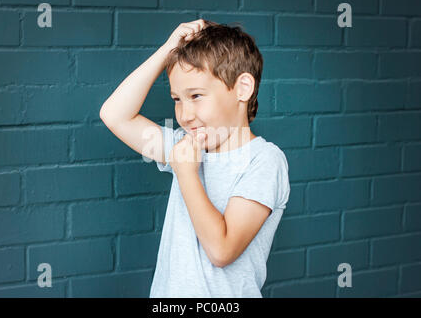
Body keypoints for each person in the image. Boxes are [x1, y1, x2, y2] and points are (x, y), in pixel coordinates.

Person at [100, 19, 290, 298]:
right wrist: (168, 48)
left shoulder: (264, 160)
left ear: (243, 88)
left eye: (196, 95)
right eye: (177, 99)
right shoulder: (185, 146)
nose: (185, 115)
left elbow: (221, 250)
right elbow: (115, 115)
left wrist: (187, 172)